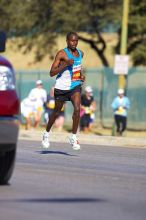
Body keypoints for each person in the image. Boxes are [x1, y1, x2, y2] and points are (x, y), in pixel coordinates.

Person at [41, 32, 85, 150]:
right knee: (56, 112)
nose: (74, 43)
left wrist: (81, 76)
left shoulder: (81, 53)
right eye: (71, 41)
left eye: (76, 41)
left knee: (77, 109)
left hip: (74, 86)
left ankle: (73, 136)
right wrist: (65, 64)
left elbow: (77, 68)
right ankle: (46, 134)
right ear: (67, 41)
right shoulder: (61, 54)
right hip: (61, 88)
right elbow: (51, 73)